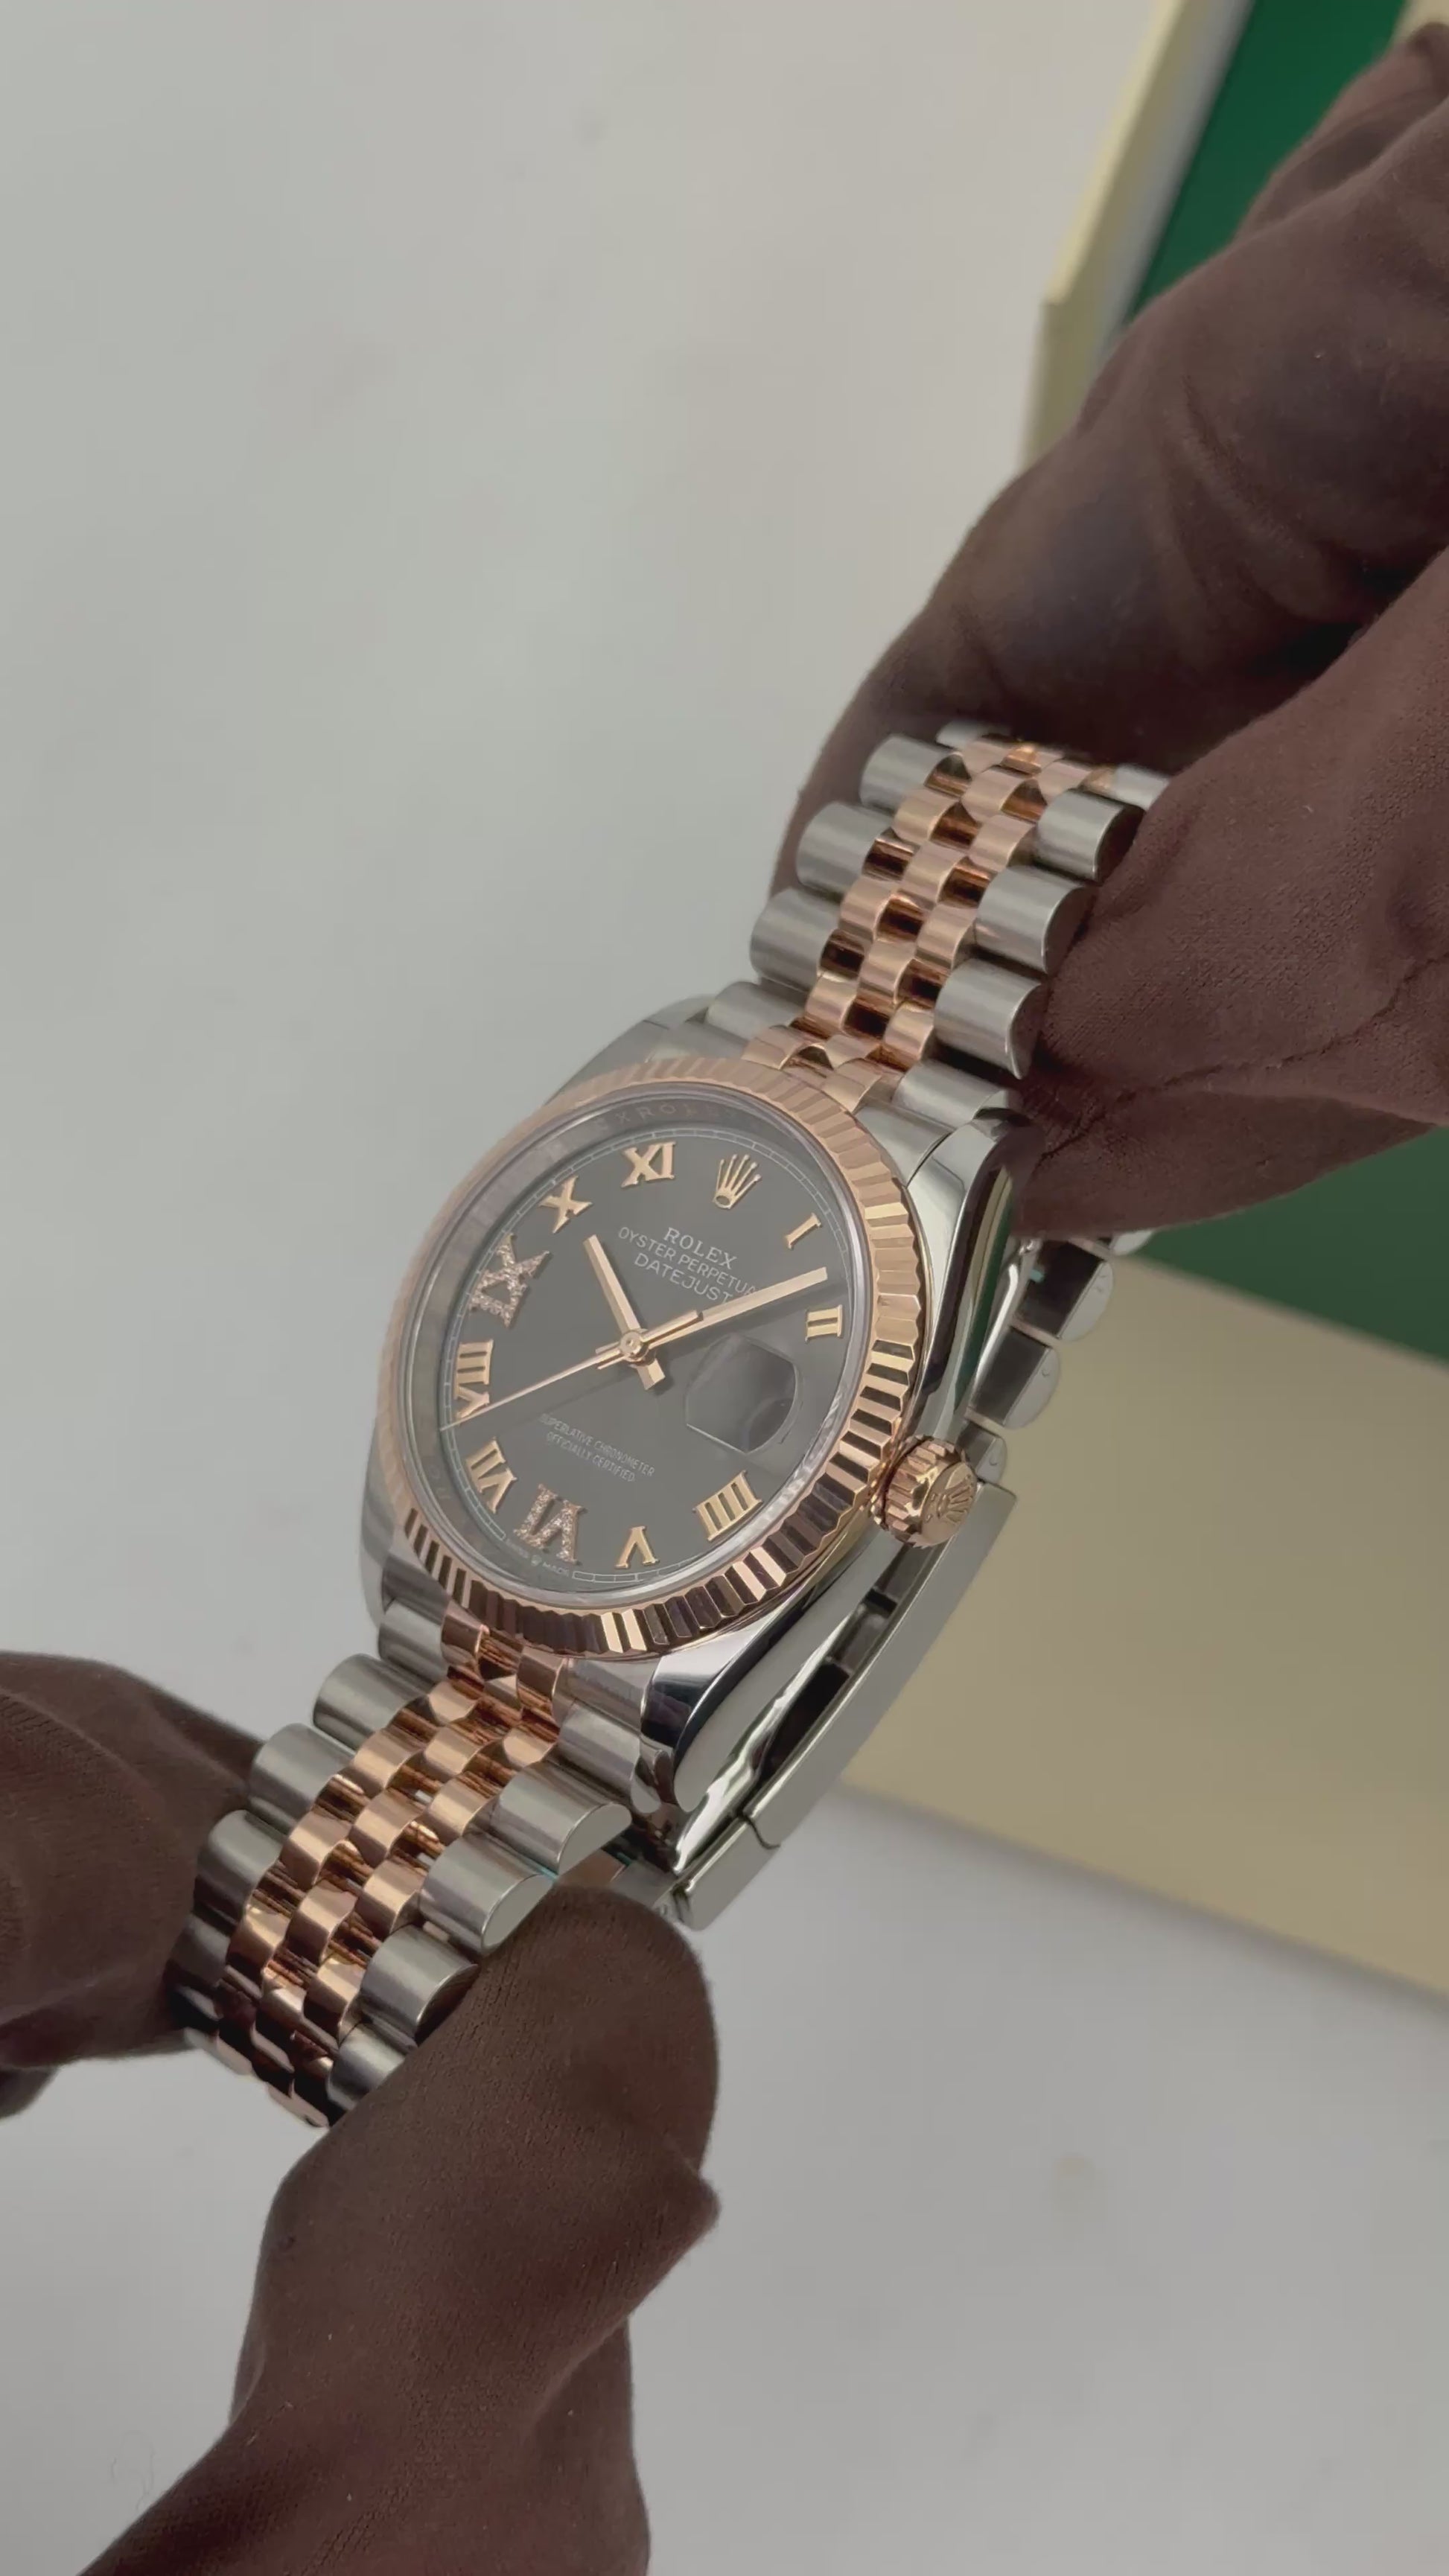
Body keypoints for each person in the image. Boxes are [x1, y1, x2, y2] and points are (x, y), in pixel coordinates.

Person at [5, 32, 1449, 2573]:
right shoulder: (524, 1540)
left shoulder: (812, 1156)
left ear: (912, 1495)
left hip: (788, 1288)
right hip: (569, 1565)